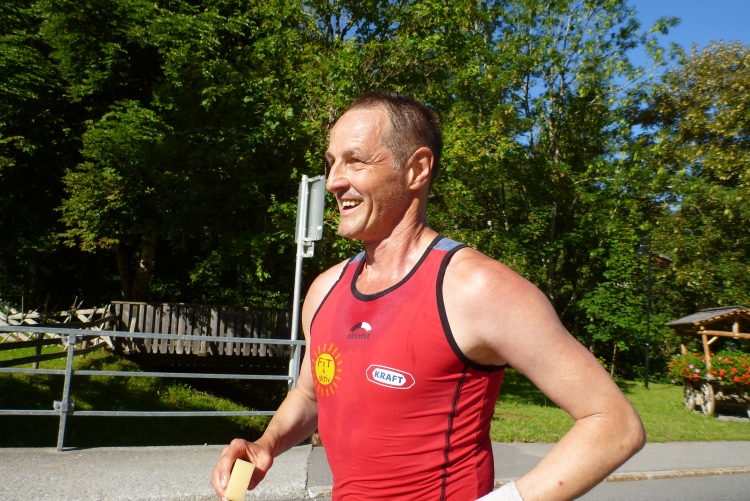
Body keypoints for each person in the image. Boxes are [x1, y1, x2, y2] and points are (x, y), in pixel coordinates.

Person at [211, 91, 645, 501]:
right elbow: (310, 396)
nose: (334, 181)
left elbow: (614, 425)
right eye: (332, 163)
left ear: (417, 169)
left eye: (355, 161)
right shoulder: (325, 289)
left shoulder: (476, 289)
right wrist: (266, 444)